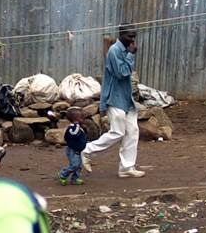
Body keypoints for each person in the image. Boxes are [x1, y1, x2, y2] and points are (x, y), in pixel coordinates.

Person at [83, 26, 143, 178]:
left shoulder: (124, 50)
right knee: (117, 132)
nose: (132, 40)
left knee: (133, 131)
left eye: (134, 36)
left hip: (125, 98)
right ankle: (87, 150)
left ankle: (126, 167)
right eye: (130, 36)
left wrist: (129, 54)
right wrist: (130, 55)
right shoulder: (114, 51)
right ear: (121, 35)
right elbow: (121, 73)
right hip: (114, 97)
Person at [59, 107, 89, 186]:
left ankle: (75, 178)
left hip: (78, 149)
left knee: (78, 165)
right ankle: (63, 175)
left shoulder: (79, 127)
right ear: (77, 119)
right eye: (82, 117)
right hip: (73, 149)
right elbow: (73, 134)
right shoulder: (73, 128)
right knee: (74, 165)